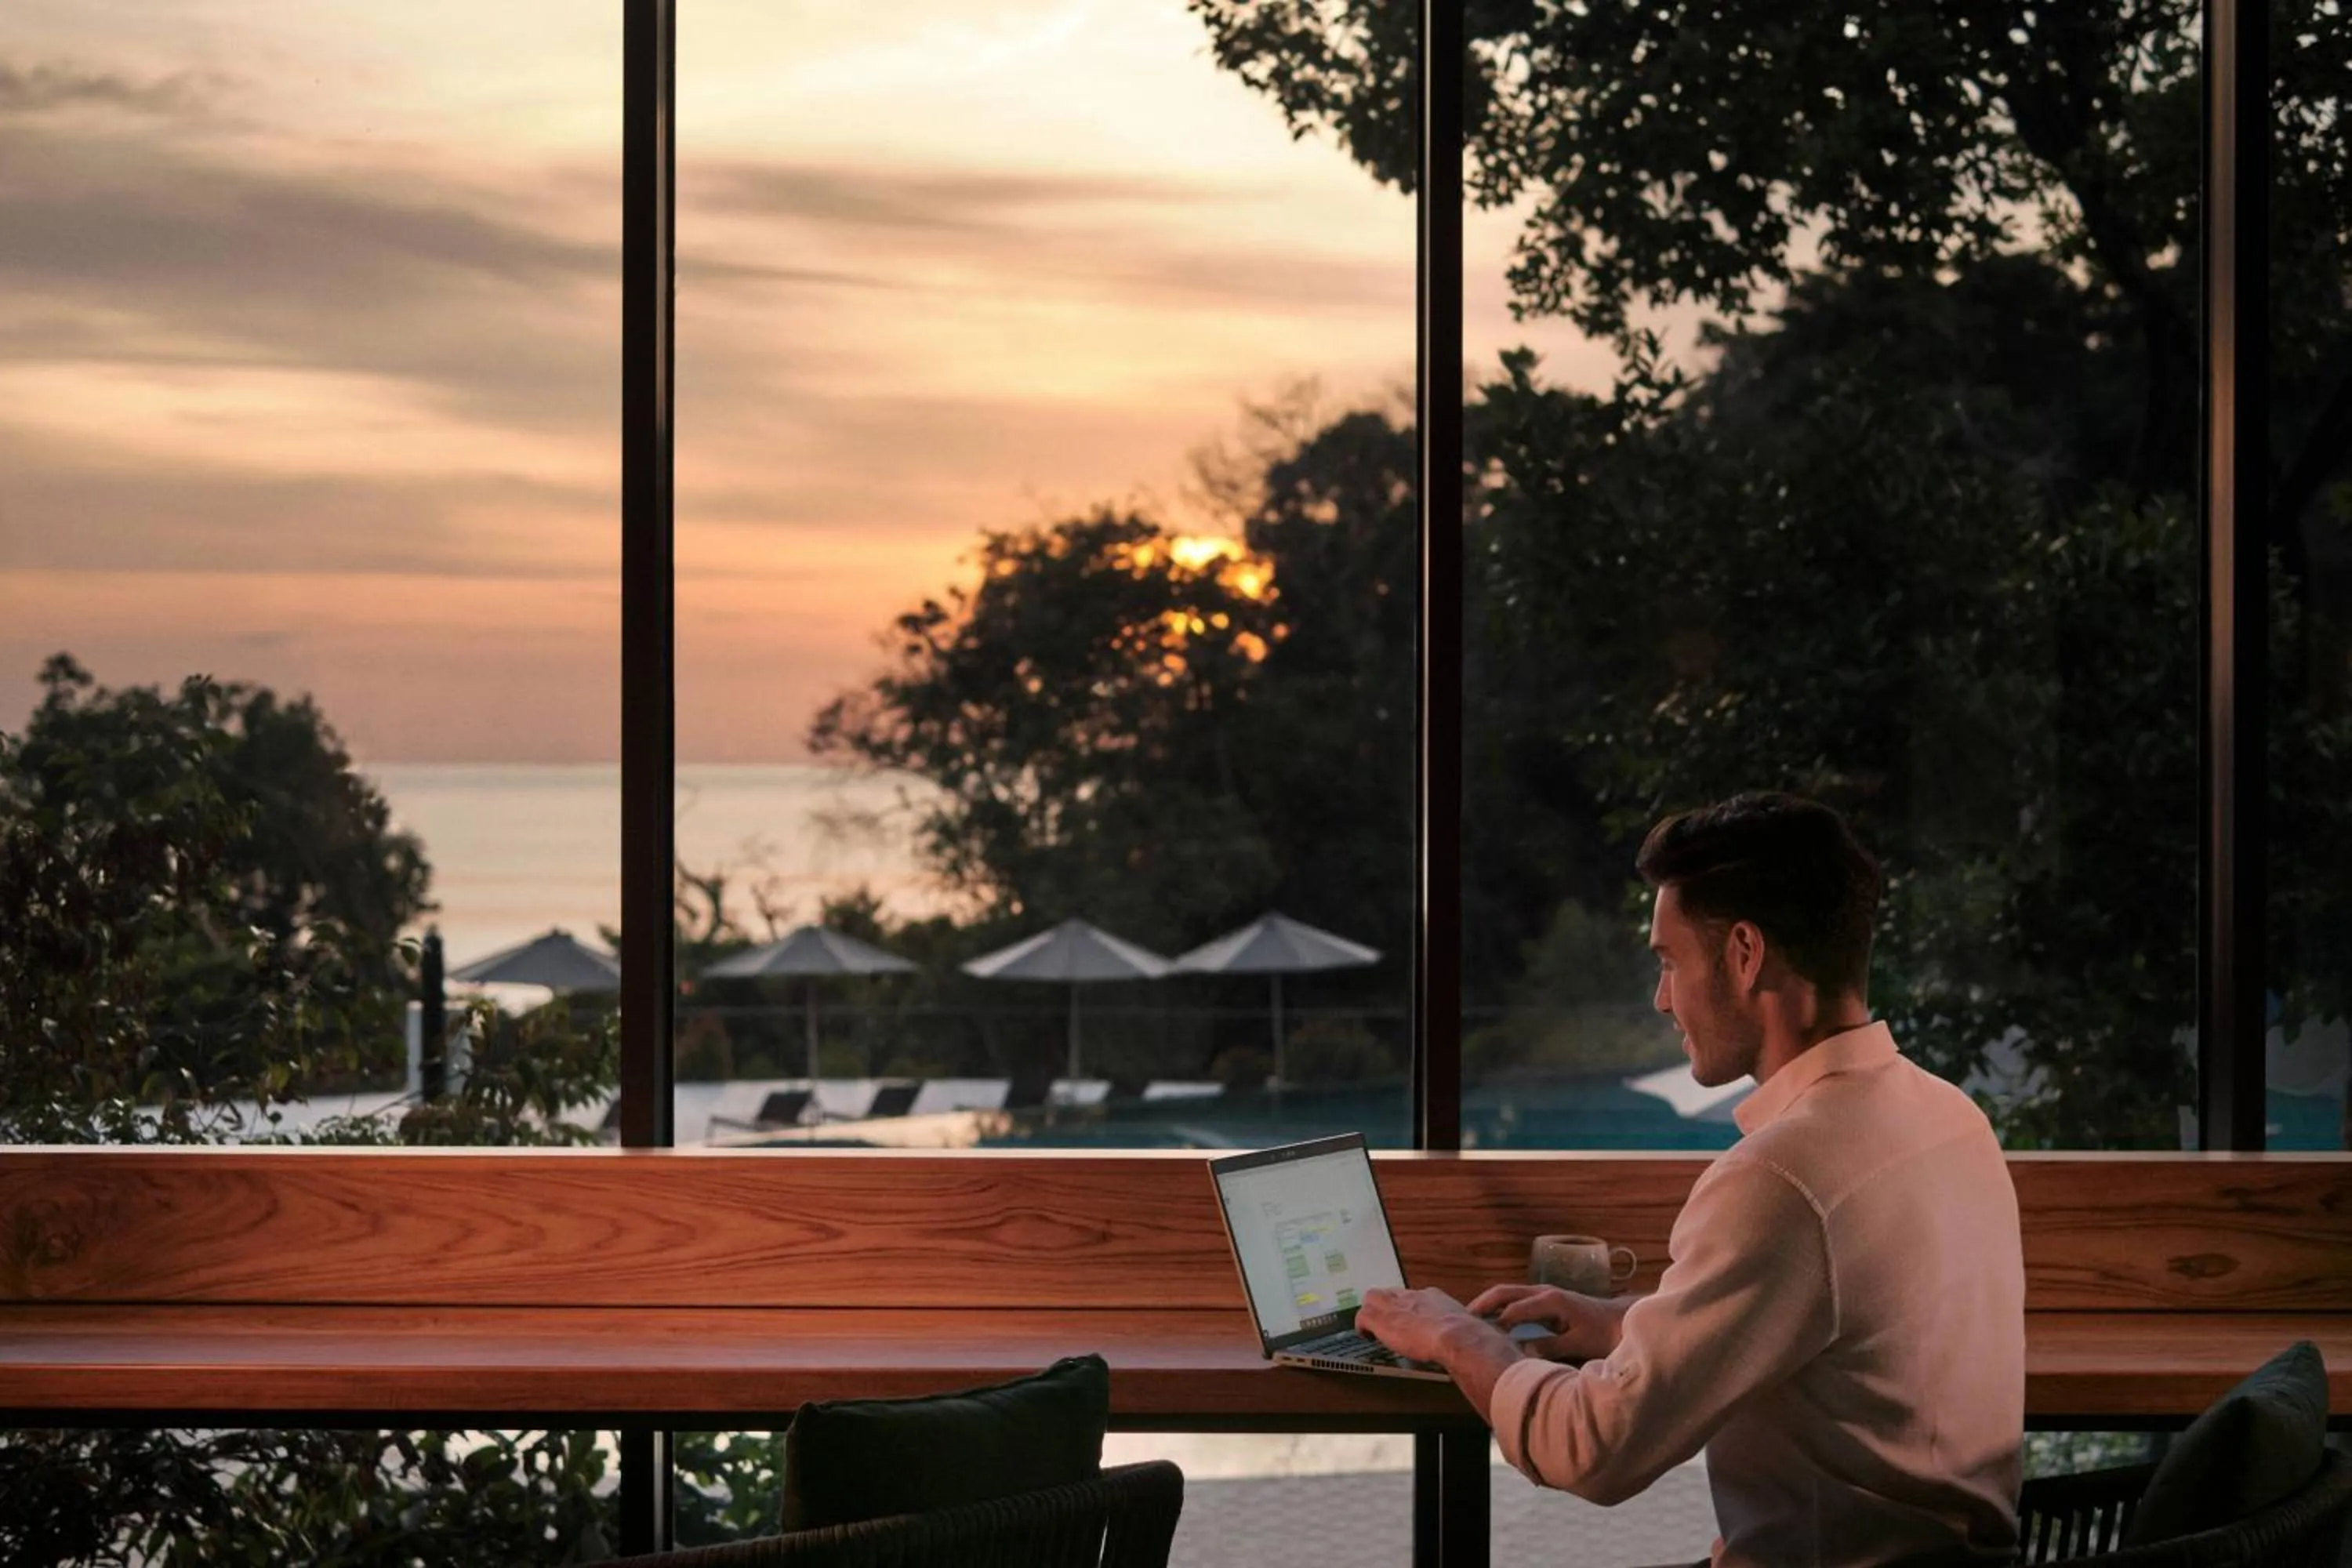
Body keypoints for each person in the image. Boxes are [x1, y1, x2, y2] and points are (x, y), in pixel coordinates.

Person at [1359, 793, 2024, 1567]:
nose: (1661, 996)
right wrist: (1622, 1320)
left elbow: (1591, 1446)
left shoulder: (1782, 1177)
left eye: (1669, 960)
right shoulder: (1949, 1118)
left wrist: (1455, 1335)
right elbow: (1843, 1320)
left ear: (1744, 953)